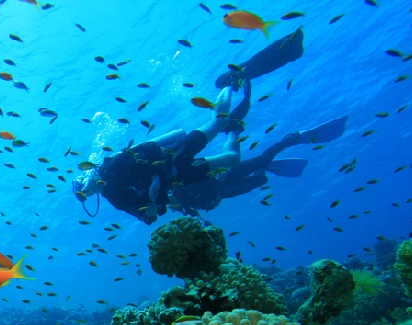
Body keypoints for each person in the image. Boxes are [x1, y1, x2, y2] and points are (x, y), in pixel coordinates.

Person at [73, 28, 306, 225]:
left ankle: (230, 82)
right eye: (86, 193)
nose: (90, 189)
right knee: (231, 159)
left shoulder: (112, 166)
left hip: (174, 155)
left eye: (85, 186)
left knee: (219, 121)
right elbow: (146, 215)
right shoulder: (114, 197)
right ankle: (235, 129)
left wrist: (158, 174)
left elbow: (149, 148)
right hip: (180, 177)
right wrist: (152, 209)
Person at [169, 113, 348, 215]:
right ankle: (266, 165)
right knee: (260, 181)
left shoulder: (174, 183)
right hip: (223, 192)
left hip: (226, 176)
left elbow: (201, 170)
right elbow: (192, 211)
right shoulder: (176, 202)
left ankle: (290, 140)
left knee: (261, 160)